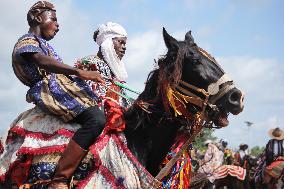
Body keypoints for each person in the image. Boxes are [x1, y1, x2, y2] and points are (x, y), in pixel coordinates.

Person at [12, 1, 112, 188]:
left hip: (60, 88)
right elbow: (40, 60)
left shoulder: (46, 46)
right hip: (50, 91)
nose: (58, 25)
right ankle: (59, 180)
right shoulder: (26, 41)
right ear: (37, 18)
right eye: (54, 19)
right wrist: (79, 72)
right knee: (96, 119)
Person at [75, 22, 130, 108]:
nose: (124, 47)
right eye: (120, 42)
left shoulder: (114, 71)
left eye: (125, 44)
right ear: (108, 43)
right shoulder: (89, 63)